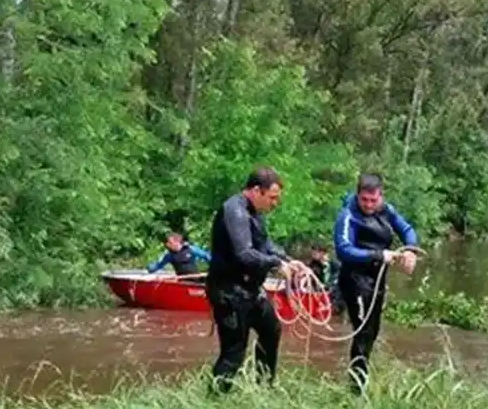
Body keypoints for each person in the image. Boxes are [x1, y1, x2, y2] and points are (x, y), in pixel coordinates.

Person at [206, 167, 307, 392]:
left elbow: (265, 246)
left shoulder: (255, 213)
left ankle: (264, 387)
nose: (274, 203)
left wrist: (288, 260)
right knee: (234, 352)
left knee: (271, 330)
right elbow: (244, 254)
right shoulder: (235, 211)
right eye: (272, 198)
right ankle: (215, 399)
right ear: (255, 191)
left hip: (250, 290)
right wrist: (275, 265)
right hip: (228, 291)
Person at [333, 173, 419, 392]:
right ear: (357, 195)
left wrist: (410, 250)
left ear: (381, 196)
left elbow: (407, 229)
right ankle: (356, 390)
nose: (369, 205)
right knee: (363, 332)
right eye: (364, 200)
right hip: (354, 280)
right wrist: (379, 255)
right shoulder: (348, 215)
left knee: (373, 331)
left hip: (377, 279)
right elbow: (343, 250)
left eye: (373, 200)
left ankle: (359, 380)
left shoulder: (386, 210)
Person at [146, 233, 211, 276]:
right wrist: (150, 268)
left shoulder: (191, 249)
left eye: (170, 242)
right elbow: (158, 265)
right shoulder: (169, 255)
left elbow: (206, 256)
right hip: (182, 282)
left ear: (177, 242)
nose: (167, 245)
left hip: (196, 278)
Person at [306, 243, 345, 316]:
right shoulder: (312, 265)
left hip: (332, 289)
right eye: (312, 253)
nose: (312, 255)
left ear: (322, 253)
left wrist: (328, 285)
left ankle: (335, 308)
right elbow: (308, 276)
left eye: (315, 253)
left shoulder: (334, 264)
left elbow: (338, 276)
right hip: (318, 290)